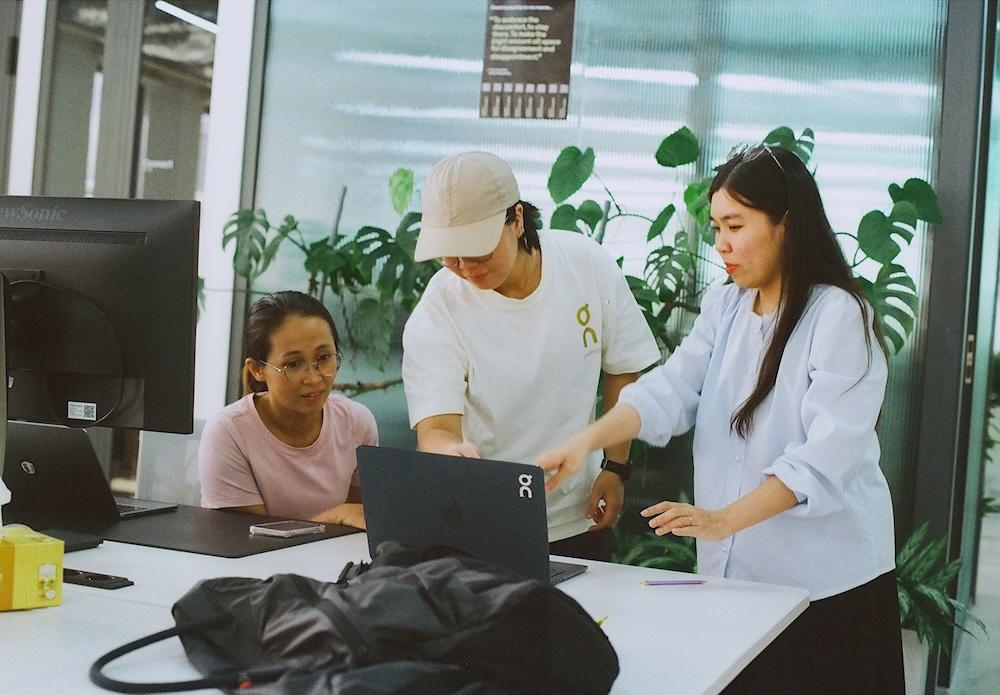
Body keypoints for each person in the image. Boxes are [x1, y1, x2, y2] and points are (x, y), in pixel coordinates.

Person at [537, 144, 903, 692]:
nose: (722, 244)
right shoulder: (726, 304)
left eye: (735, 225)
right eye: (716, 227)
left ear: (786, 224)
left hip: (828, 585)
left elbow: (824, 460)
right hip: (739, 579)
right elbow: (670, 390)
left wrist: (723, 519)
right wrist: (584, 441)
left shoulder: (838, 315)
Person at [401, 151, 660, 561]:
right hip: (483, 522)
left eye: (479, 252)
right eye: (450, 256)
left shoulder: (585, 265)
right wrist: (448, 453)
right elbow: (436, 429)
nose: (465, 268)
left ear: (517, 219)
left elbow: (623, 368)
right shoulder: (439, 308)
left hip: (578, 514)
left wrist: (616, 466)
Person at [199, 290, 377, 529]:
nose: (314, 379)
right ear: (257, 370)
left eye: (324, 358)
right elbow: (245, 540)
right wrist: (334, 516)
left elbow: (359, 524)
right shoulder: (229, 432)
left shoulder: (357, 422)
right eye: (293, 364)